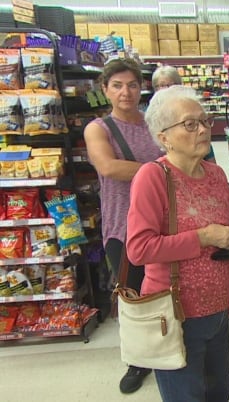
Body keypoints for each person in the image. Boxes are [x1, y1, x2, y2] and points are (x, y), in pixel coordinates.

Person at [126, 85, 229, 402]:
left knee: (219, 392)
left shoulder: (215, 174)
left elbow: (228, 223)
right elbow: (139, 249)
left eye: (205, 121)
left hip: (219, 310)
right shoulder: (152, 177)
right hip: (177, 315)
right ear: (163, 135)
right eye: (190, 124)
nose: (203, 129)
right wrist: (204, 237)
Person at [83, 58, 165, 394]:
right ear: (105, 90)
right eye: (117, 85)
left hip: (163, 219)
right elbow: (108, 166)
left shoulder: (155, 122)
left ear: (141, 87)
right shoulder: (98, 129)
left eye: (132, 84)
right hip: (123, 224)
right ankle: (138, 360)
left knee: (165, 286)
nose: (125, 92)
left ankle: (169, 345)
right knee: (132, 292)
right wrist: (161, 169)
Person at [152, 65, 217, 163]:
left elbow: (206, 147)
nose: (167, 90)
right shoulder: (151, 118)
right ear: (155, 89)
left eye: (172, 85)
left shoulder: (191, 109)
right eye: (162, 85)